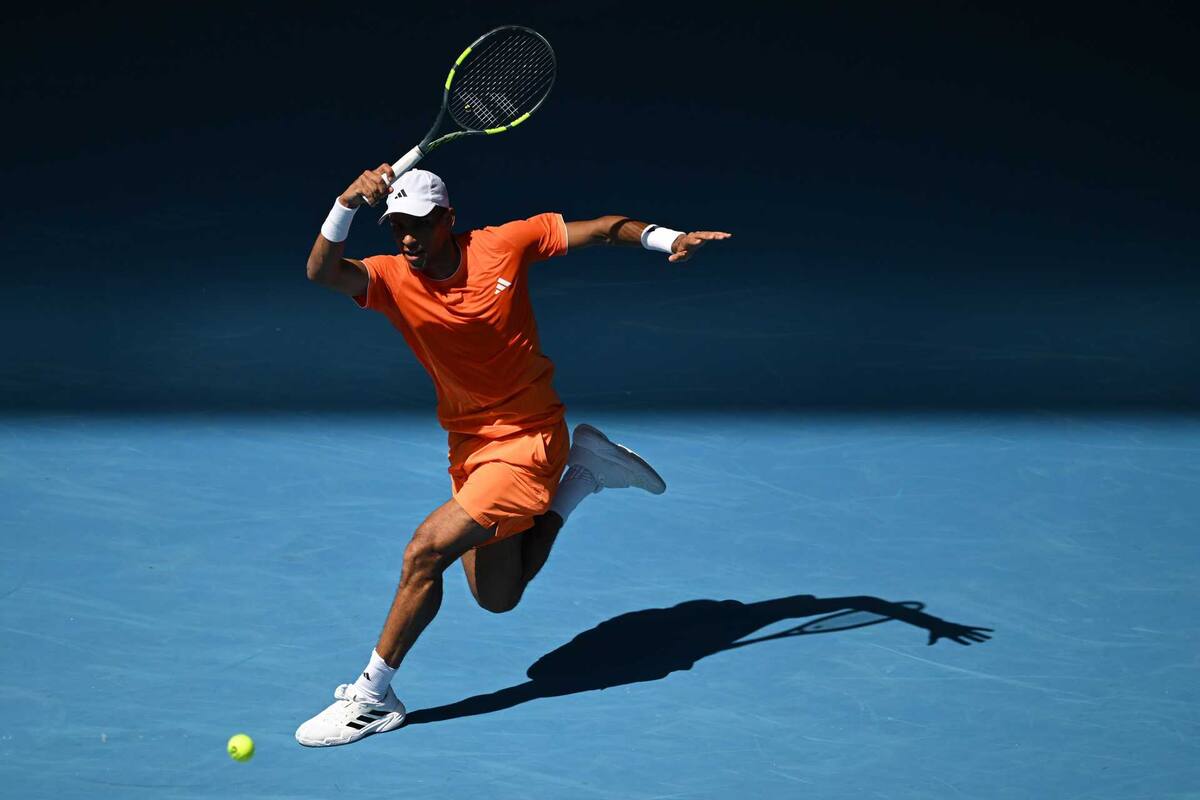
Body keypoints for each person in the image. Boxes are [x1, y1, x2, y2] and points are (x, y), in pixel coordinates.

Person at [294, 164, 731, 746]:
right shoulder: (391, 277)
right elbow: (322, 272)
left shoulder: (502, 243)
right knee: (498, 597)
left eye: (419, 226)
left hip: (528, 439)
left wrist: (666, 237)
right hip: (469, 444)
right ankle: (585, 475)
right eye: (396, 225)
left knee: (425, 553)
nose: (406, 238)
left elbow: (601, 228)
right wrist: (344, 202)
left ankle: (374, 696)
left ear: (448, 219)